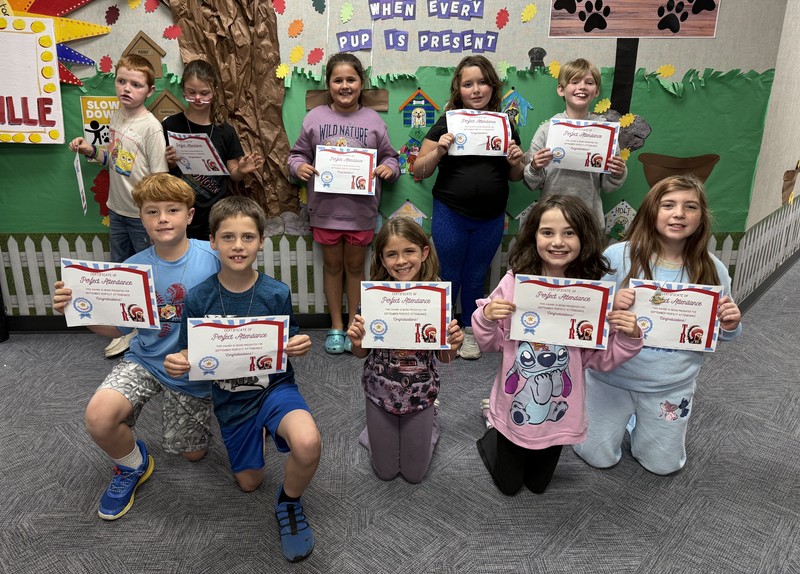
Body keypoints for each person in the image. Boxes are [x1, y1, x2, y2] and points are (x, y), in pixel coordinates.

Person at [51, 173, 220, 520]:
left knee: (193, 455)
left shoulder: (214, 257)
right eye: (152, 211)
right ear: (140, 217)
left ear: (189, 215)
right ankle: (132, 465)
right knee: (99, 418)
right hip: (144, 360)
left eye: (172, 210)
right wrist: (77, 311)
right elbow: (118, 327)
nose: (162, 219)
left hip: (191, 370)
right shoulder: (133, 268)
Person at [164, 196, 321, 562]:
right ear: (213, 241)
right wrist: (179, 361)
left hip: (274, 388)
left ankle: (290, 502)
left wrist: (297, 344)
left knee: (308, 442)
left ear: (261, 242)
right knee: (250, 484)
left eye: (248, 237)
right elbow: (189, 350)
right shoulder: (200, 298)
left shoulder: (276, 292)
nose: (238, 246)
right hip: (231, 401)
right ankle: (259, 435)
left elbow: (289, 337)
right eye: (229, 237)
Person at [471, 195, 643, 495]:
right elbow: (490, 343)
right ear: (534, 235)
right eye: (547, 232)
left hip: (560, 408)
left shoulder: (591, 291)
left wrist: (628, 338)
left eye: (569, 232)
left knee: (538, 486)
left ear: (584, 237)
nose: (557, 242)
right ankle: (493, 432)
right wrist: (486, 317)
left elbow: (599, 360)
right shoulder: (515, 282)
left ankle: (510, 433)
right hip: (516, 404)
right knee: (508, 485)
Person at [573, 174, 742, 475]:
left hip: (669, 384)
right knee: (597, 456)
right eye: (668, 205)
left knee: (663, 466)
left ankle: (642, 421)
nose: (679, 214)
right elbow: (588, 320)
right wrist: (610, 307)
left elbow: (723, 334)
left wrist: (729, 324)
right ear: (652, 210)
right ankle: (617, 418)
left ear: (701, 217)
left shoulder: (712, 269)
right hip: (611, 379)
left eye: (690, 207)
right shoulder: (618, 256)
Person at [288, 53, 400, 355]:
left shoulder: (373, 121)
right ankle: (336, 326)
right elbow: (296, 155)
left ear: (361, 83)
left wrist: (390, 168)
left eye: (351, 79)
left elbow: (391, 156)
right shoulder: (314, 119)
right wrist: (299, 167)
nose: (345, 85)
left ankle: (354, 326)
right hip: (324, 212)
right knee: (333, 266)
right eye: (338, 80)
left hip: (361, 213)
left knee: (355, 267)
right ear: (329, 84)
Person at [414, 55, 525, 360]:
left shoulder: (505, 124)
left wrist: (516, 161)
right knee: (449, 274)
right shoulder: (447, 121)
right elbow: (418, 170)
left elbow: (515, 176)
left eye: (482, 82)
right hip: (451, 210)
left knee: (476, 276)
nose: (476, 90)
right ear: (458, 89)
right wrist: (439, 149)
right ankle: (447, 330)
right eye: (468, 84)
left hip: (491, 216)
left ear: (493, 86)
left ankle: (471, 330)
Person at [346, 217, 463, 483]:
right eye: (391, 254)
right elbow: (361, 354)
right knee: (385, 472)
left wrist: (453, 345)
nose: (401, 261)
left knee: (414, 475)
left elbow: (444, 358)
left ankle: (431, 422)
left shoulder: (437, 297)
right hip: (379, 392)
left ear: (424, 252)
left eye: (409, 251)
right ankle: (376, 431)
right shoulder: (374, 296)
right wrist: (356, 342)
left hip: (421, 395)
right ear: (382, 259)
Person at [69, 54, 170, 358]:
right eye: (122, 81)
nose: (127, 88)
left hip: (141, 217)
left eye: (136, 84)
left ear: (148, 91)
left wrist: (153, 215)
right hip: (117, 209)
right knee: (122, 271)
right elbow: (115, 160)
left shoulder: (151, 127)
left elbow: (160, 178)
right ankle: (128, 329)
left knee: (146, 273)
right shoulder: (116, 116)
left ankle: (147, 332)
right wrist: (91, 150)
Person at [162, 59, 263, 240]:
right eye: (191, 93)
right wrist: (169, 161)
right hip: (178, 210)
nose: (198, 98)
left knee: (211, 261)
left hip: (214, 211)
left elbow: (233, 173)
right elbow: (162, 171)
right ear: (183, 89)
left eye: (204, 93)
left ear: (214, 92)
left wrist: (241, 169)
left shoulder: (225, 132)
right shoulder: (170, 125)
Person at [523, 58, 627, 229]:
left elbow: (608, 186)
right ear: (561, 90)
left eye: (589, 82)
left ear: (597, 91)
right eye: (574, 81)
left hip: (589, 219)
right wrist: (534, 167)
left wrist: (617, 173)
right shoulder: (546, 130)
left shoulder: (605, 133)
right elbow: (531, 183)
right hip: (551, 217)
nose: (582, 87)